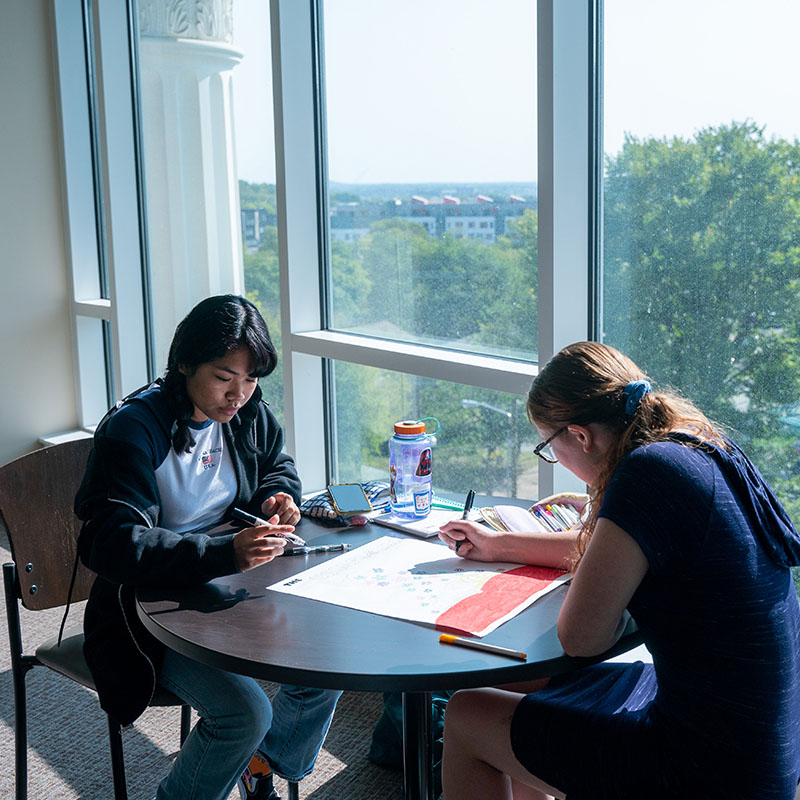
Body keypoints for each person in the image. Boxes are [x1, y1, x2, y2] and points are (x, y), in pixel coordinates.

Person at [438, 341, 800, 800]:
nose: (557, 461)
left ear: (580, 436)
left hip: (707, 768)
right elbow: (627, 551)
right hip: (761, 740)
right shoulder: (695, 445)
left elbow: (582, 638)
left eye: (549, 447)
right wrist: (500, 545)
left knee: (467, 714)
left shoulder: (644, 474)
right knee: (516, 686)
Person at [74, 295, 341, 800]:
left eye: (251, 379)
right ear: (184, 363)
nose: (238, 394)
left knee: (328, 659)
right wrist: (222, 554)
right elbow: (109, 543)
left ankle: (262, 763)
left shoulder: (247, 414)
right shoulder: (134, 430)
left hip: (238, 587)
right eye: (224, 376)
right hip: (146, 611)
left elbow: (276, 464)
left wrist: (277, 496)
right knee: (244, 713)